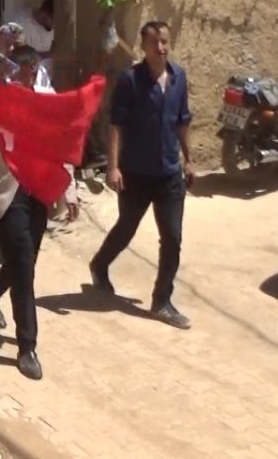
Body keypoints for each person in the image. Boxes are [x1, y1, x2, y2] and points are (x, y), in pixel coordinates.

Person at [0, 44, 79, 381]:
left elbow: (61, 149)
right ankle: (27, 346)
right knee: (25, 272)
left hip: (38, 194)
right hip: (7, 196)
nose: (27, 73)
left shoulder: (45, 103)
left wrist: (70, 190)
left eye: (31, 67)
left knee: (24, 263)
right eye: (21, 67)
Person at [90, 20, 195, 329]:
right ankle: (99, 264)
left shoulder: (178, 78)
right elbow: (116, 124)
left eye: (165, 42)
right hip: (136, 174)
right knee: (126, 228)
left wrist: (189, 160)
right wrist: (113, 166)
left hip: (170, 175)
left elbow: (182, 122)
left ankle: (162, 300)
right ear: (144, 46)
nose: (161, 48)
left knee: (172, 239)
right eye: (155, 43)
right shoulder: (130, 80)